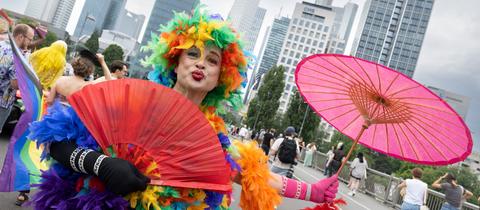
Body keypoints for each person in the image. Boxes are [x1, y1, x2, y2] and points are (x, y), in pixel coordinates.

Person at [27, 7, 339, 210]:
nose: (201, 62)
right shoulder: (131, 99)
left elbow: (252, 176)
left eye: (213, 60)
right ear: (175, 64)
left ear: (221, 78)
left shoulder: (213, 139)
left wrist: (315, 193)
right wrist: (101, 165)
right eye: (192, 54)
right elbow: (56, 141)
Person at [46, 51, 112, 105]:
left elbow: (49, 100)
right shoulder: (88, 86)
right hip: (73, 120)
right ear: (90, 71)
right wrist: (102, 62)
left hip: (54, 117)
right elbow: (109, 82)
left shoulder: (60, 79)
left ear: (74, 65)